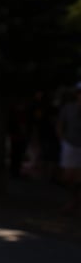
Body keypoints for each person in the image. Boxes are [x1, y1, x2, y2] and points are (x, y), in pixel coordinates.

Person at [56, 82, 81, 213]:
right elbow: (60, 124)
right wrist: (63, 140)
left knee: (78, 176)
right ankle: (73, 200)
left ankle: (75, 203)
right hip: (70, 144)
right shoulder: (68, 108)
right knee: (68, 176)